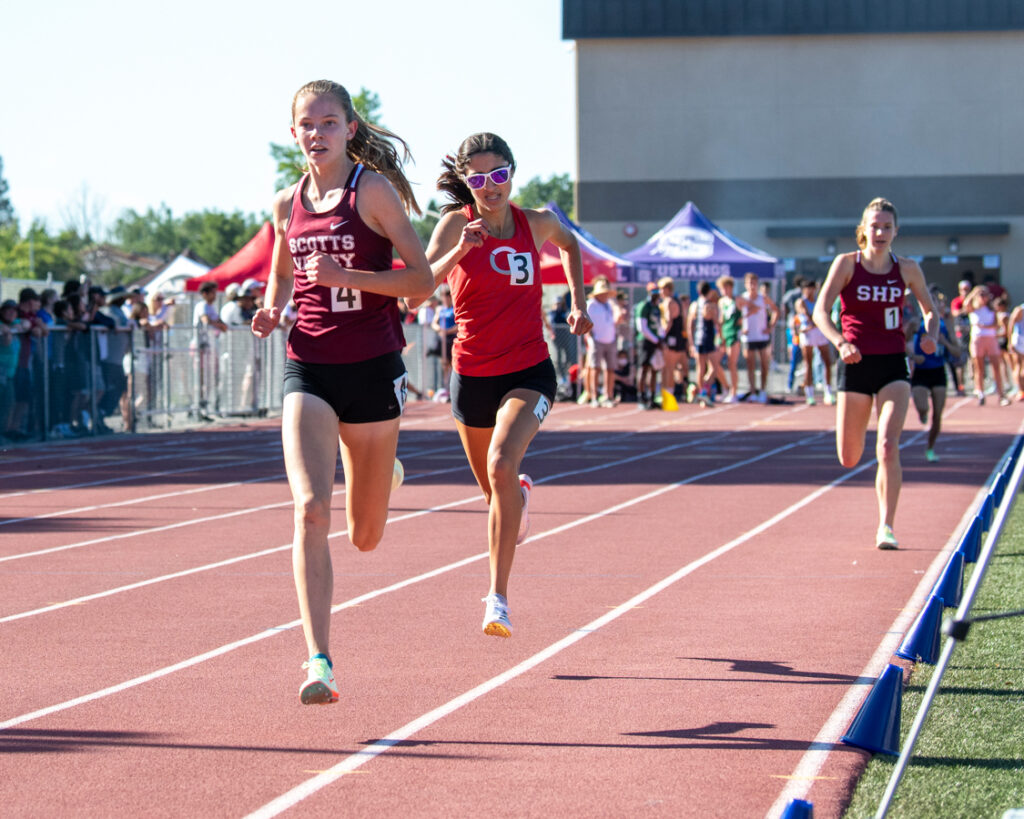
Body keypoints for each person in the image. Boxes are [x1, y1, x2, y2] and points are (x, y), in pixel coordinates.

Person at [250, 79, 433, 705]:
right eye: (307, 124)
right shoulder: (285, 203)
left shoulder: (372, 191)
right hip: (310, 366)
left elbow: (422, 280)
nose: (317, 134)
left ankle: (381, 479)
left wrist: (346, 274)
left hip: (374, 366)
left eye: (329, 123)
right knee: (308, 508)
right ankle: (318, 659)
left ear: (350, 129)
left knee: (366, 535)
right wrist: (273, 309)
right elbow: (281, 273)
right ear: (293, 131)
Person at [407, 131, 591, 638]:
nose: (491, 187)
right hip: (472, 375)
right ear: (467, 183)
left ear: (513, 173)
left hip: (529, 370)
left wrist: (578, 302)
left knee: (501, 464)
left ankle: (498, 598)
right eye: (480, 179)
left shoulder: (537, 224)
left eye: (499, 175)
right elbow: (416, 294)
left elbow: (573, 247)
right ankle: (519, 497)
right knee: (495, 493)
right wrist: (458, 252)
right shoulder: (453, 225)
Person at [813, 197, 938, 550]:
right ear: (863, 231)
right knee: (849, 457)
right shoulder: (846, 264)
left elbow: (930, 310)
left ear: (896, 231)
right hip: (854, 362)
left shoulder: (909, 269)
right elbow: (820, 312)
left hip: (892, 364)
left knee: (887, 447)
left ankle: (887, 526)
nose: (880, 232)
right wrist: (839, 342)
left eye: (887, 227)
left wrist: (931, 335)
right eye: (875, 226)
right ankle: (860, 436)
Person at [907, 290, 960, 462]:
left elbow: (957, 351)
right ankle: (922, 412)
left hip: (938, 371)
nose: (939, 305)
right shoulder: (917, 323)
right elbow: (900, 342)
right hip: (921, 371)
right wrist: (914, 356)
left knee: (937, 414)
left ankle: (930, 448)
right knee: (923, 408)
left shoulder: (947, 324)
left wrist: (945, 343)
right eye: (935, 302)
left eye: (941, 302)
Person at [735, 272, 779, 402]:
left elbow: (776, 310)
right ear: (745, 284)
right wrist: (742, 326)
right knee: (750, 365)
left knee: (764, 363)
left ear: (757, 284)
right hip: (748, 337)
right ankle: (753, 391)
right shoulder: (742, 299)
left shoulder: (763, 298)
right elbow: (736, 318)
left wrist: (770, 327)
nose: (752, 285)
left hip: (762, 336)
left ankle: (763, 390)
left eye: (754, 283)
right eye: (749, 283)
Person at [963, 284, 1009, 405]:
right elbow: (966, 303)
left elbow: (996, 324)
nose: (983, 297)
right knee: (979, 368)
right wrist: (975, 292)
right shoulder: (973, 308)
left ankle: (1001, 394)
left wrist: (984, 326)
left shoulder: (991, 309)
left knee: (996, 367)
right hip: (977, 339)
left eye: (985, 295)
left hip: (991, 339)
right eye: (981, 295)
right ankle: (980, 393)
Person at [794, 279, 834, 405]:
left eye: (810, 288)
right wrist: (816, 321)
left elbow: (826, 313)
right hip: (808, 334)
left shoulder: (818, 300)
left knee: (827, 362)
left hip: (819, 332)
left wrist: (820, 322)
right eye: (806, 289)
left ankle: (828, 392)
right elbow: (809, 316)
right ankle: (809, 394)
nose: (808, 291)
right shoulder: (801, 302)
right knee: (808, 364)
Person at [583, 277, 618, 406]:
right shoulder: (591, 304)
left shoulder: (609, 304)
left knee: (610, 369)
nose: (605, 295)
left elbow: (615, 320)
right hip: (597, 340)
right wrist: (591, 338)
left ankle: (608, 396)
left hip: (610, 339)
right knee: (594, 368)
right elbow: (586, 321)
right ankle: (594, 397)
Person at [688, 281, 724, 404]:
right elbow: (718, 324)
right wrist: (721, 339)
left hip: (698, 339)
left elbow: (689, 325)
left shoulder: (694, 305)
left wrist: (691, 343)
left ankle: (700, 392)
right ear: (709, 292)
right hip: (708, 338)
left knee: (700, 368)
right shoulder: (711, 306)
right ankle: (703, 391)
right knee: (714, 368)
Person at [658, 277, 689, 403]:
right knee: (675, 368)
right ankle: (671, 392)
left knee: (669, 367)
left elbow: (668, 321)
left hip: (672, 338)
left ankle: (668, 394)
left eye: (661, 289)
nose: (660, 291)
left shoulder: (669, 302)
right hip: (678, 337)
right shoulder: (677, 301)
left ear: (667, 289)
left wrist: (661, 336)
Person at [635, 282, 663, 409]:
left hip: (655, 341)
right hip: (646, 341)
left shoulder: (656, 307)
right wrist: (655, 339)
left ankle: (652, 397)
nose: (656, 295)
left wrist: (661, 338)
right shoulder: (643, 306)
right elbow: (642, 327)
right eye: (654, 292)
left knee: (655, 369)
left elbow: (658, 325)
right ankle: (641, 397)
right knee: (644, 368)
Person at [716, 275, 742, 402]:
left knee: (731, 363)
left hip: (733, 333)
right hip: (723, 333)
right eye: (722, 288)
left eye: (726, 287)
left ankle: (734, 392)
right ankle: (726, 387)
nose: (724, 290)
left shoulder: (738, 300)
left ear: (731, 287)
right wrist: (719, 332)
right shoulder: (721, 302)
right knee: (714, 362)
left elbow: (752, 308)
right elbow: (721, 318)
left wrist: (744, 320)